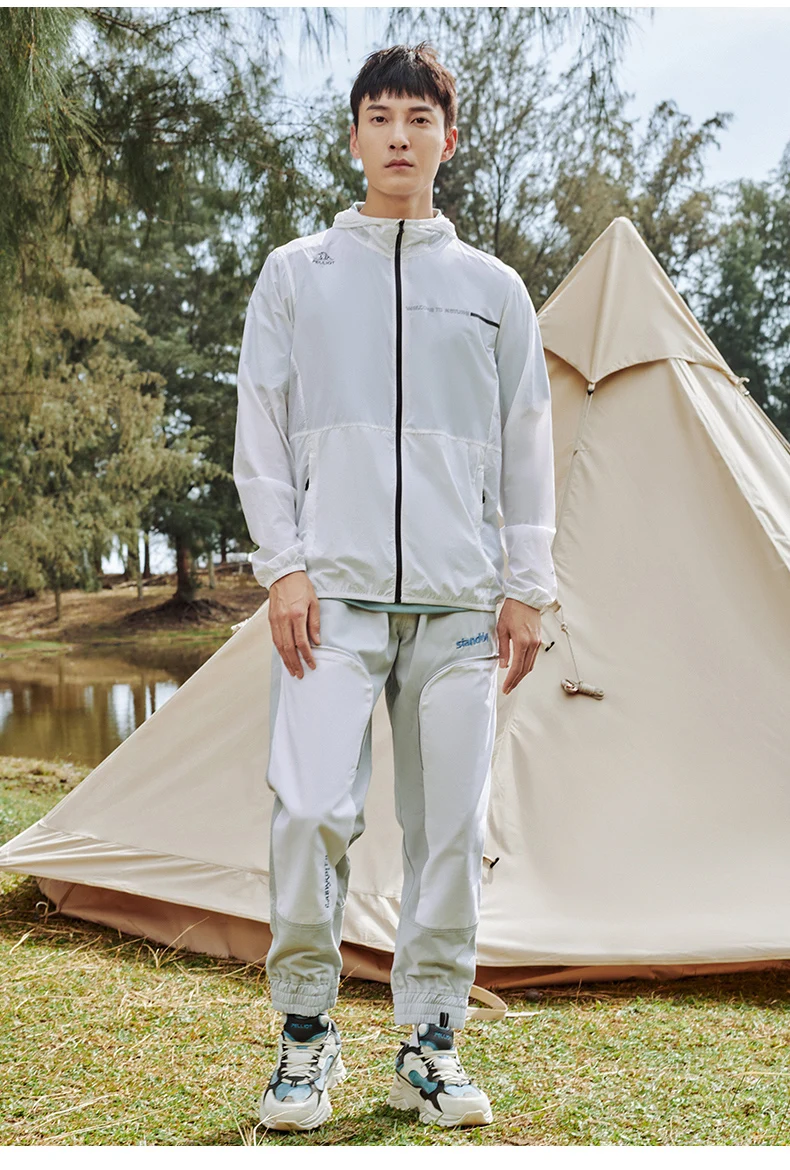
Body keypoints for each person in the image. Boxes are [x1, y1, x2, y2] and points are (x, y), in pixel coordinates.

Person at [233, 41, 557, 1132]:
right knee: (309, 812)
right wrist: (283, 564)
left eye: (419, 119)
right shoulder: (296, 273)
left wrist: (527, 584)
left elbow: (527, 441)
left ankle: (430, 1040)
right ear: (355, 138)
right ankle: (305, 1033)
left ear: (447, 140)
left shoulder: (495, 290)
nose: (400, 137)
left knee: (450, 831)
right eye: (381, 118)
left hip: (461, 604)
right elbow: (261, 427)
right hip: (328, 597)